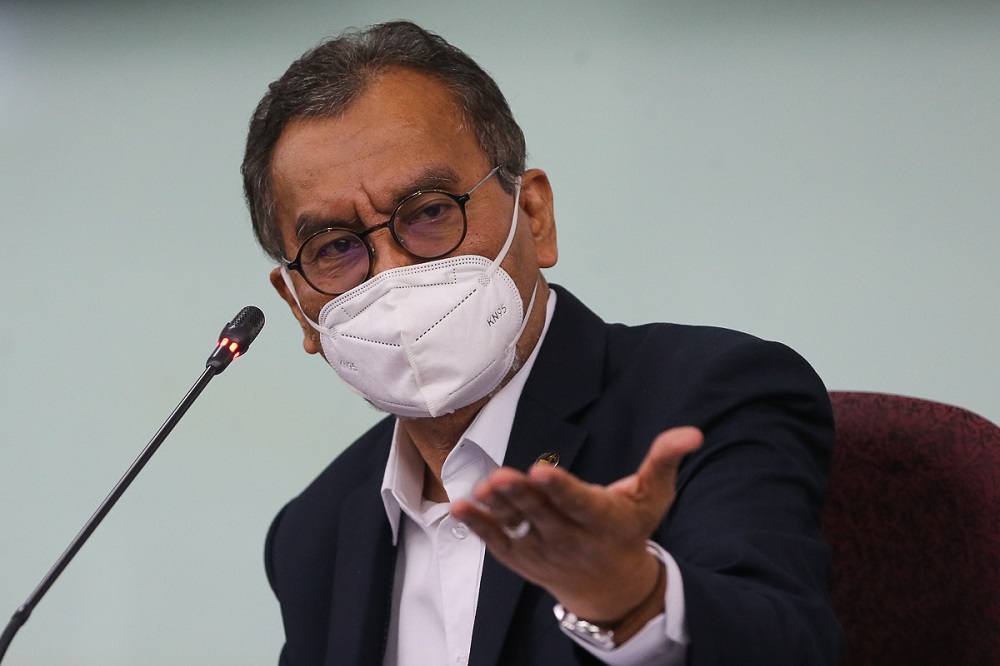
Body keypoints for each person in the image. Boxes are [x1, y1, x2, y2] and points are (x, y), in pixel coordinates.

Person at [242, 20, 841, 666]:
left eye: (430, 211)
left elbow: (791, 646)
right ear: (300, 308)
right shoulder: (314, 532)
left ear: (535, 215)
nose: (392, 274)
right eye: (335, 247)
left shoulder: (710, 396)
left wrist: (630, 598)